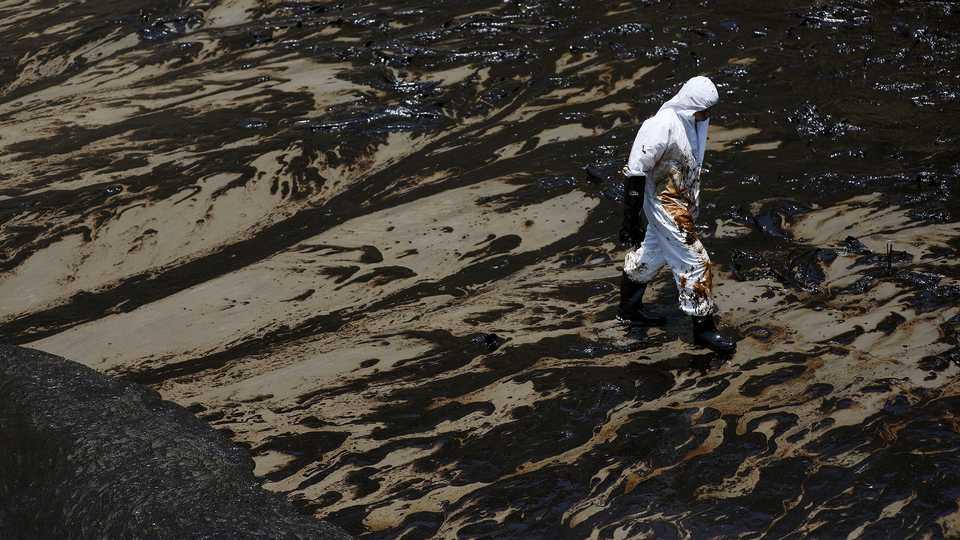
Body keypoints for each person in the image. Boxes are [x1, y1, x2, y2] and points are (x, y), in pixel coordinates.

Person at [617, 75, 737, 354]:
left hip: (680, 203)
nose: (707, 115)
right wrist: (630, 219)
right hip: (663, 204)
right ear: (690, 103)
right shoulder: (660, 126)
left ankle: (628, 309)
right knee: (696, 262)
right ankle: (704, 331)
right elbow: (635, 171)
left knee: (651, 254)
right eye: (703, 109)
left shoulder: (695, 123)